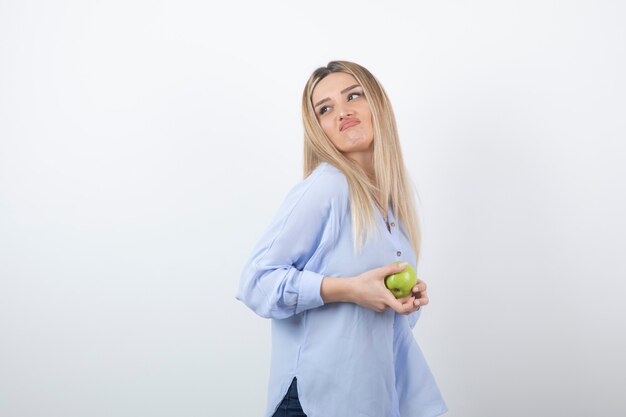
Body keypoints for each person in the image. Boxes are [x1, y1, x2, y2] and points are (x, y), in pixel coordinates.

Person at [236, 61, 448, 417]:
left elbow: (374, 328)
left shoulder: (393, 203)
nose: (343, 111)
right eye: (325, 108)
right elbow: (255, 282)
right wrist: (349, 289)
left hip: (371, 400)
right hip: (316, 403)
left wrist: (403, 302)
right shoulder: (327, 186)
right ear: (319, 129)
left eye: (353, 95)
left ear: (377, 104)